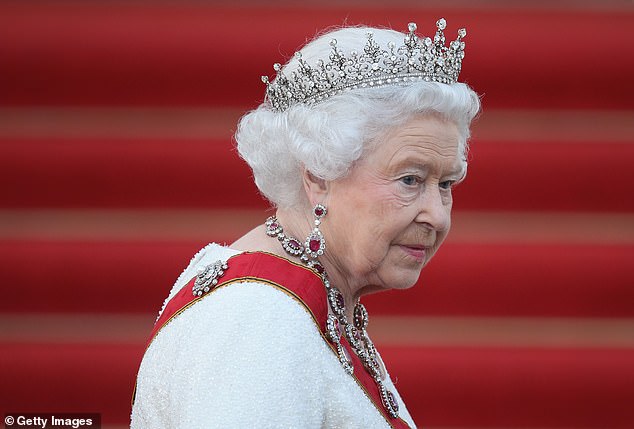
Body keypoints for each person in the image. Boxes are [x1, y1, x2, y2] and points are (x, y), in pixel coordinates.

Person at [131, 18, 480, 429]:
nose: (437, 215)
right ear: (317, 173)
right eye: (410, 180)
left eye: (447, 183)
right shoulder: (256, 321)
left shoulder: (307, 301)